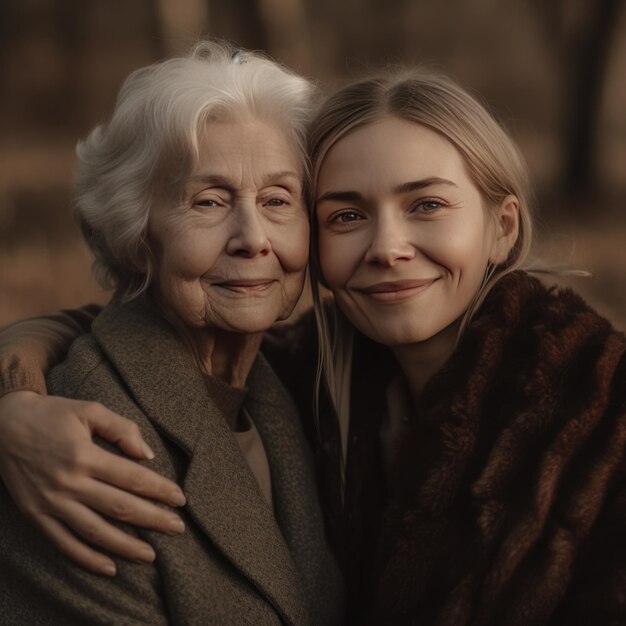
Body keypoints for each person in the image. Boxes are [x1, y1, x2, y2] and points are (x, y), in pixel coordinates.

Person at [1, 68, 625, 625]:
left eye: (427, 204)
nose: (387, 246)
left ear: (503, 227)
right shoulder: (305, 377)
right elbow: (107, 331)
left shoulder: (604, 410)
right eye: (346, 215)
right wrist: (16, 400)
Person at [0, 41, 344, 625]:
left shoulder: (295, 384)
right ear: (135, 235)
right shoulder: (86, 448)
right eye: (209, 201)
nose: (253, 237)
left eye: (278, 199)